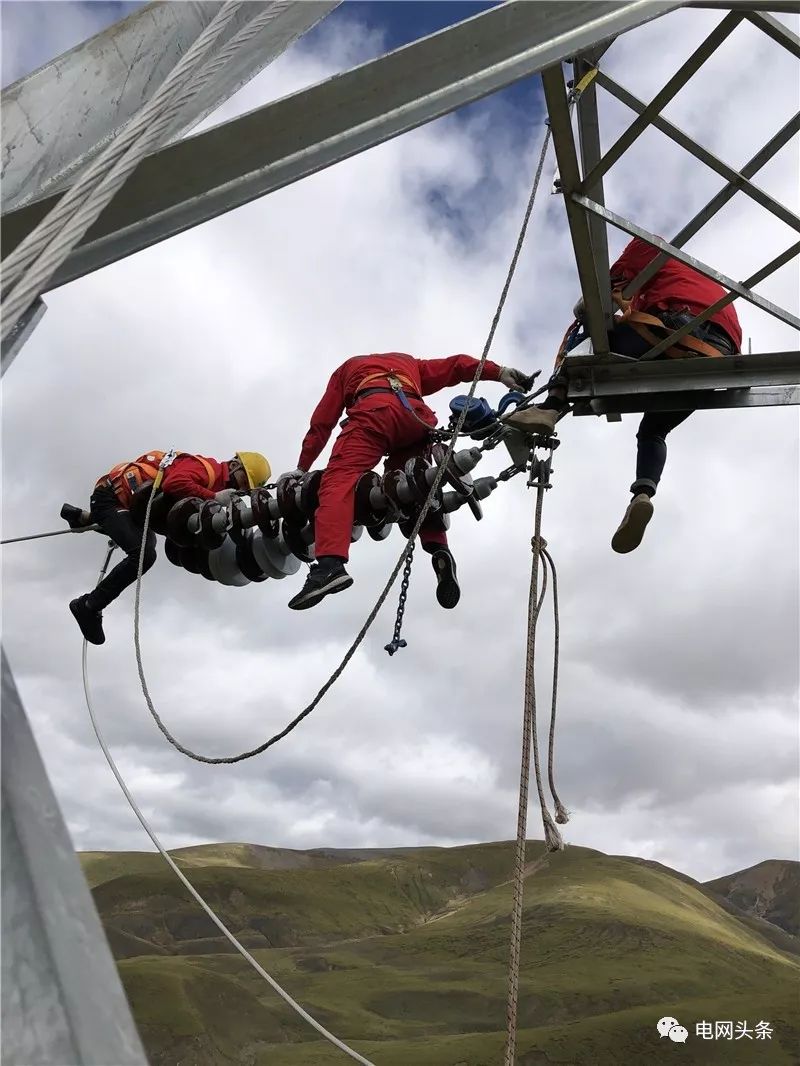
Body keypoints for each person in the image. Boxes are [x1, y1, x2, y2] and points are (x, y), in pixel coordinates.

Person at [512, 236, 742, 553]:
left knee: (585, 333)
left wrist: (597, 307)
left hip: (681, 327)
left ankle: (550, 407)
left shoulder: (649, 247)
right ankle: (642, 494)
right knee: (653, 430)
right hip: (720, 353)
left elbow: (601, 292)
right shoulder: (696, 279)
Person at [287, 353, 535, 610]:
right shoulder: (410, 365)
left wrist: (302, 467)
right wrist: (500, 372)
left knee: (338, 481)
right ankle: (439, 547)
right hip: (416, 418)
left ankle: (329, 566)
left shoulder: (346, 369)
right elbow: (457, 366)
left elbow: (321, 423)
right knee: (413, 488)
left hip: (374, 413)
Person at [69, 450, 270, 645]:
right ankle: (88, 606)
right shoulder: (206, 469)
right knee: (143, 553)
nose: (241, 488)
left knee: (148, 541)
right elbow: (174, 483)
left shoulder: (214, 486)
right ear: (235, 466)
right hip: (110, 498)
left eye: (246, 488)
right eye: (244, 481)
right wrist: (214, 497)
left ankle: (80, 517)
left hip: (131, 509)